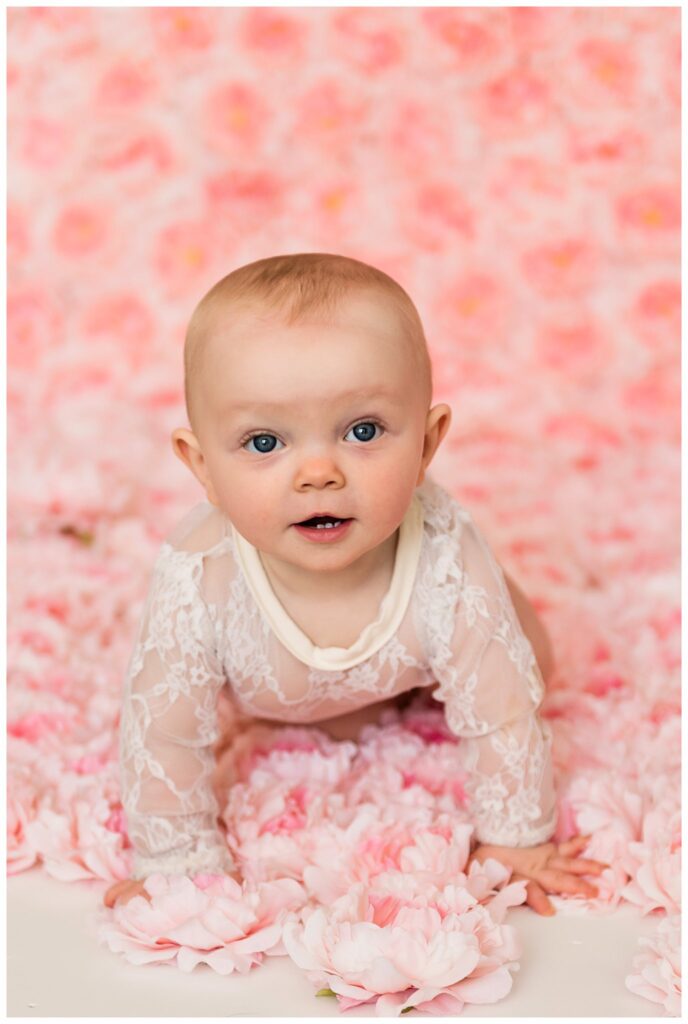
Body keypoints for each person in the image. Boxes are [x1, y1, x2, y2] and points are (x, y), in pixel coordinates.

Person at [104, 253, 607, 912]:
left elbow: (506, 716)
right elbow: (163, 732)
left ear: (427, 444)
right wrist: (176, 860)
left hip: (421, 647)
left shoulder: (445, 555)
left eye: (362, 431)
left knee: (524, 659)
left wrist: (515, 838)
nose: (318, 473)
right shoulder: (199, 575)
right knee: (174, 700)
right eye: (263, 443)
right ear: (201, 465)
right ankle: (369, 694)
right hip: (270, 689)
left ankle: (434, 663)